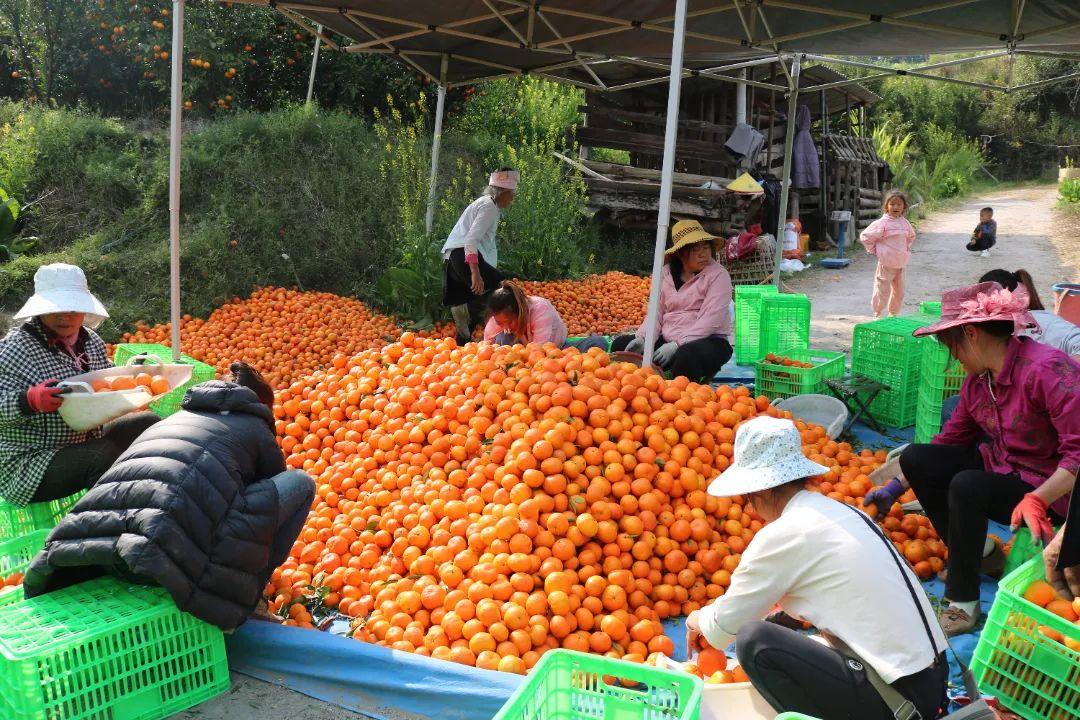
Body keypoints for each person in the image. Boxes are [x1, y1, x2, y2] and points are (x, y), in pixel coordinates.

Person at [685, 417, 948, 719]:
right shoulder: (841, 511)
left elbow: (722, 630)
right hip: (931, 682)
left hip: (900, 703)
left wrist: (697, 619)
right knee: (779, 626)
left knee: (754, 641)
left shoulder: (785, 533)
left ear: (757, 493)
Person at [23, 362, 316, 631]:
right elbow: (265, 505)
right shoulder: (255, 428)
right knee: (300, 484)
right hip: (164, 561)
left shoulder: (172, 419)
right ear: (260, 404)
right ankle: (254, 596)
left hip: (96, 556)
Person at [865, 282, 1080, 635]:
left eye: (953, 346)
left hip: (1054, 492)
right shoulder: (979, 383)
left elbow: (1077, 455)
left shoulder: (1048, 371)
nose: (954, 357)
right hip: (1005, 475)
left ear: (972, 334)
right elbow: (949, 442)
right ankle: (978, 552)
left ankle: (962, 603)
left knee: (968, 485)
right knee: (919, 457)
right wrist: (894, 486)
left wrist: (1038, 498)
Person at [0, 263, 159, 507]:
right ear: (41, 310)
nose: (65, 316)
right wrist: (28, 400)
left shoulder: (90, 340)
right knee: (103, 456)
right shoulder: (16, 349)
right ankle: (103, 527)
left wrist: (135, 380)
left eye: (73, 308)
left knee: (149, 425)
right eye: (56, 309)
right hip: (30, 461)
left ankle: (156, 496)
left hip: (82, 440)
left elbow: (104, 379)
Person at [610, 220, 733, 382]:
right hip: (668, 337)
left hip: (709, 339)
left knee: (686, 356)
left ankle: (682, 398)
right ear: (680, 253)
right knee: (622, 346)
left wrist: (677, 344)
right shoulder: (665, 274)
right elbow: (656, 313)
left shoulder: (718, 275)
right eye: (696, 249)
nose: (703, 254)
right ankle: (636, 388)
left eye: (706, 247)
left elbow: (711, 320)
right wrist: (643, 339)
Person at [441, 168, 518, 345]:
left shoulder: (484, 204)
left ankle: (462, 341)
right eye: (512, 194)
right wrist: (475, 272)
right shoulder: (489, 206)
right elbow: (471, 241)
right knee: (504, 291)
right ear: (503, 192)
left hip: (453, 257)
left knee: (468, 296)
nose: (512, 199)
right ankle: (505, 334)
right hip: (464, 256)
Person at [483, 281, 607, 351]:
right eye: (500, 323)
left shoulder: (540, 309)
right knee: (501, 340)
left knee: (599, 342)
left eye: (510, 322)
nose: (506, 326)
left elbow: (539, 352)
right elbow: (486, 346)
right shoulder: (498, 317)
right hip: (522, 355)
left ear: (520, 311)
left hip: (556, 350)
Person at [860, 189, 916, 318]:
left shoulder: (905, 223)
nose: (895, 207)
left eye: (899, 204)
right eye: (892, 204)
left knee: (899, 292)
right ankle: (878, 313)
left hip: (901, 264)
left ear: (904, 207)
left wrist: (905, 250)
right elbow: (865, 237)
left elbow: (911, 237)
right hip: (886, 264)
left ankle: (893, 314)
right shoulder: (882, 223)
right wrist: (876, 251)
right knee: (882, 291)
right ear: (886, 206)